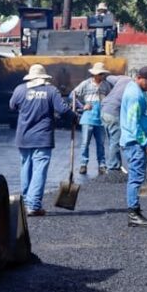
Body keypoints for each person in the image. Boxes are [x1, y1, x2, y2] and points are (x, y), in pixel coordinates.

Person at [10, 64, 74, 216]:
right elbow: (63, 110)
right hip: (42, 137)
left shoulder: (20, 89)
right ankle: (34, 205)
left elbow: (12, 106)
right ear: (43, 77)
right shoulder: (51, 91)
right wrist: (74, 117)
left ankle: (26, 203)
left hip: (23, 137)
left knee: (26, 168)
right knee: (39, 170)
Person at [120, 66, 147, 228]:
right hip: (134, 142)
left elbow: (144, 99)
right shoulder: (134, 95)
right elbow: (132, 124)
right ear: (139, 78)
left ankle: (135, 211)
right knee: (135, 178)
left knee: (137, 177)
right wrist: (146, 143)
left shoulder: (136, 88)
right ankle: (133, 214)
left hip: (136, 141)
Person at [70, 62, 112, 175]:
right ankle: (83, 164)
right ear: (94, 74)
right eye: (99, 74)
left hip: (101, 118)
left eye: (102, 74)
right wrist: (81, 106)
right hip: (88, 117)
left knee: (101, 143)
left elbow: (110, 98)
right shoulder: (86, 84)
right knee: (85, 143)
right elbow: (72, 95)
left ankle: (102, 165)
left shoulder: (106, 85)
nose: (101, 76)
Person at [100, 74, 133, 172]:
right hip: (113, 112)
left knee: (112, 140)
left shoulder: (122, 79)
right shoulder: (134, 85)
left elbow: (108, 77)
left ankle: (116, 164)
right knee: (115, 141)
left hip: (104, 111)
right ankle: (113, 167)